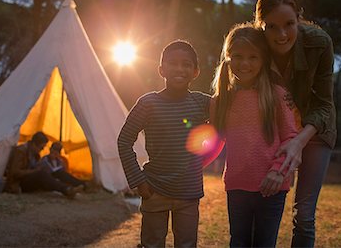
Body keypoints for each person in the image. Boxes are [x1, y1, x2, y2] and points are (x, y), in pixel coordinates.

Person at [254, 0, 336, 247]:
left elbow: (324, 104)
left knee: (304, 214)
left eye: (289, 24)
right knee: (262, 205)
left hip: (315, 130)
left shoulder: (319, 43)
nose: (281, 35)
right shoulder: (252, 43)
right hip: (273, 128)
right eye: (272, 27)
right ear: (260, 25)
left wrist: (298, 142)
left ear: (299, 18)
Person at [210, 23, 298, 247]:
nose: (245, 63)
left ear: (263, 59)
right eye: (238, 56)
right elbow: (212, 139)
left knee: (264, 243)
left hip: (272, 186)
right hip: (237, 185)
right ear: (228, 58)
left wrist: (278, 172)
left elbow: (291, 138)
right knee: (238, 242)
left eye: (253, 57)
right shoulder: (221, 100)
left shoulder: (278, 95)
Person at [118, 40, 210, 248]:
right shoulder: (148, 103)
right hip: (154, 189)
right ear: (161, 69)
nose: (179, 68)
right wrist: (138, 180)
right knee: (152, 244)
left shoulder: (202, 102)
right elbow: (124, 140)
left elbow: (227, 114)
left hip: (189, 192)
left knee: (187, 244)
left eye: (186, 64)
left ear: (196, 72)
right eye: (173, 63)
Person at [5, 132, 82, 198]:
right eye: (41, 147)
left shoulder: (35, 154)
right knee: (41, 174)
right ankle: (66, 189)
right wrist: (34, 171)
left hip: (31, 178)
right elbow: (15, 172)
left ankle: (83, 185)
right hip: (20, 183)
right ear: (34, 144)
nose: (41, 150)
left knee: (57, 172)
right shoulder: (20, 151)